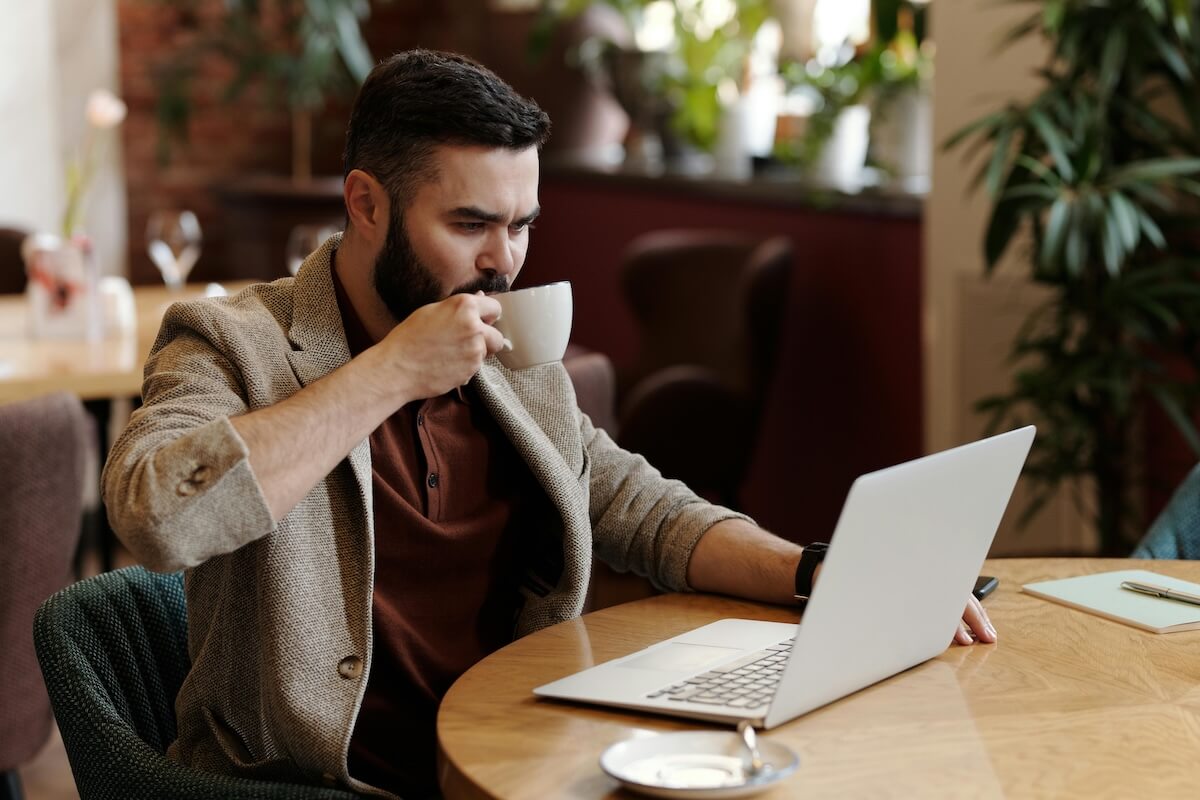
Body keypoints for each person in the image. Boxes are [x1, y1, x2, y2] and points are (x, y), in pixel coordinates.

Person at [102, 49, 995, 799]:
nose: (505, 261)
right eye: (470, 223)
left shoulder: (507, 352)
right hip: (330, 784)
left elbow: (636, 504)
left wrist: (819, 572)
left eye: (523, 224)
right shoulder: (233, 342)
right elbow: (155, 515)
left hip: (521, 758)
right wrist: (387, 374)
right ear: (366, 203)